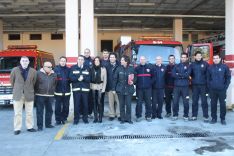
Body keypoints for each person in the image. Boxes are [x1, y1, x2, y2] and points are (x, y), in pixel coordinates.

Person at [10, 56, 37, 135]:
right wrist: (18, 88)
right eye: (23, 61)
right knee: (17, 113)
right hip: (18, 94)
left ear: (28, 62)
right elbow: (12, 81)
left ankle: (30, 127)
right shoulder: (14, 70)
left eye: (26, 61)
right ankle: (17, 128)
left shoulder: (33, 71)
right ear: (20, 62)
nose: (24, 62)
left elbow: (34, 82)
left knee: (30, 112)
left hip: (29, 93)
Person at [207, 54, 231, 125]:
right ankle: (214, 118)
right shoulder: (210, 68)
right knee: (213, 104)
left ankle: (222, 119)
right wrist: (210, 87)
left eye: (217, 58)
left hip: (222, 90)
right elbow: (208, 79)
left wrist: (225, 87)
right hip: (213, 90)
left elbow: (228, 77)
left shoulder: (225, 67)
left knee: (222, 105)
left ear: (220, 59)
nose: (215, 59)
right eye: (214, 58)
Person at [35, 61, 57, 131]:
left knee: (49, 110)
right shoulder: (38, 73)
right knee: (39, 111)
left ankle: (48, 124)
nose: (50, 68)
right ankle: (40, 126)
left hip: (50, 95)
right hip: (40, 95)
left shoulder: (54, 74)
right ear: (44, 67)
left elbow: (55, 84)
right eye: (48, 67)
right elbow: (35, 83)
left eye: (51, 67)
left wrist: (52, 90)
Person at [114, 55, 135, 124]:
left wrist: (133, 81)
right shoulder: (118, 69)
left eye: (122, 60)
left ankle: (128, 119)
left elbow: (136, 77)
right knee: (121, 105)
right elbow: (115, 79)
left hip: (129, 90)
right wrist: (114, 89)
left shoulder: (131, 68)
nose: (121, 61)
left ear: (126, 61)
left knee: (128, 105)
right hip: (120, 90)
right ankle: (122, 119)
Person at [69, 55, 90, 124]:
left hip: (85, 90)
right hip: (76, 90)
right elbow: (71, 78)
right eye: (79, 59)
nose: (80, 60)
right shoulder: (73, 68)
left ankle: (85, 118)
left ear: (84, 61)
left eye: (82, 59)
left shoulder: (87, 68)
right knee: (76, 105)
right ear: (77, 60)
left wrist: (83, 78)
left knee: (85, 105)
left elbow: (90, 78)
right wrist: (77, 79)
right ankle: (76, 119)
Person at [190, 51, 209, 122]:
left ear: (201, 56)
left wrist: (207, 85)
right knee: (194, 101)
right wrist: (193, 81)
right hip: (195, 86)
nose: (198, 57)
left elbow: (208, 75)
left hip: (203, 86)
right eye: (197, 56)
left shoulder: (206, 64)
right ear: (195, 57)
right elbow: (190, 74)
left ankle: (206, 116)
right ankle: (194, 115)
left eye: (200, 56)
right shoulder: (192, 64)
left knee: (204, 101)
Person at [172, 53, 191, 121]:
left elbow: (187, 74)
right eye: (182, 57)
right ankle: (175, 115)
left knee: (186, 102)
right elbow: (173, 74)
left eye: (184, 57)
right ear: (180, 58)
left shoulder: (189, 66)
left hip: (185, 87)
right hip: (176, 87)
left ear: (186, 58)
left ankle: (186, 115)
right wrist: (183, 75)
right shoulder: (176, 66)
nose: (183, 58)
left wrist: (179, 74)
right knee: (175, 102)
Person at [135, 56, 152, 122]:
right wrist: (136, 84)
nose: (142, 60)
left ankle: (148, 116)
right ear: (139, 60)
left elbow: (154, 77)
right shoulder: (137, 68)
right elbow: (134, 78)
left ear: (146, 60)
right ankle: (138, 116)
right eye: (141, 59)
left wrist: (149, 83)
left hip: (148, 89)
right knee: (139, 103)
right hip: (139, 89)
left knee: (148, 103)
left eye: (143, 59)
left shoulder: (150, 67)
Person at [54, 56, 71, 125]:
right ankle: (58, 120)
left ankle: (64, 118)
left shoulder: (68, 69)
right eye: (61, 61)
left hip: (67, 91)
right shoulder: (55, 69)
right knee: (57, 107)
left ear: (66, 62)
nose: (63, 62)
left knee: (66, 106)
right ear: (59, 61)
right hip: (58, 92)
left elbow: (71, 79)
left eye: (64, 61)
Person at [90, 57, 107, 123]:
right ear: (94, 61)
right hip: (93, 87)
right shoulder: (91, 68)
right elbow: (90, 79)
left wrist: (103, 89)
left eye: (98, 60)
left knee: (99, 102)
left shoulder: (103, 69)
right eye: (95, 60)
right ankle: (95, 118)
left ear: (100, 61)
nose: (96, 61)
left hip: (100, 87)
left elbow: (105, 80)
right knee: (94, 103)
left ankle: (100, 117)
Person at [106, 52, 121, 121]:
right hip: (109, 86)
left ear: (115, 58)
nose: (111, 58)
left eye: (113, 57)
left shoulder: (119, 65)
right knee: (111, 102)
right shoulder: (106, 66)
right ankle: (111, 114)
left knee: (118, 101)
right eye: (110, 57)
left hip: (117, 87)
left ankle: (119, 114)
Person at [83, 48, 93, 116]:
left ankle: (89, 113)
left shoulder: (92, 60)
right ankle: (82, 113)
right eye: (85, 52)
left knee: (90, 98)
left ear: (90, 53)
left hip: (90, 82)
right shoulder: (81, 60)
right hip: (82, 82)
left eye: (88, 52)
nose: (86, 54)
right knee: (82, 99)